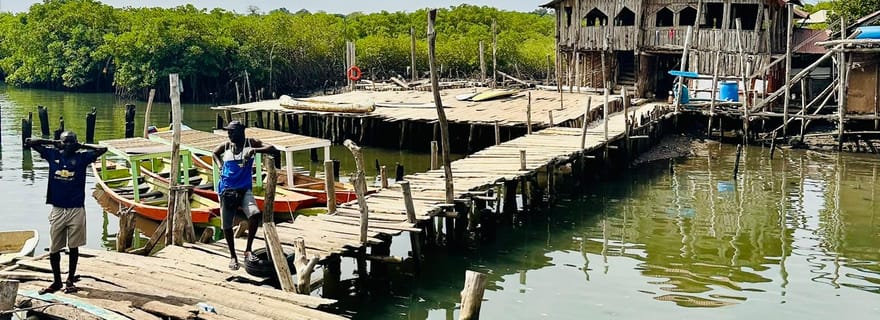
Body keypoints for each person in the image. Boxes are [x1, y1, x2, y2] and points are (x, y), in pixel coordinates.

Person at [25, 132, 107, 294]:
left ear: (76, 143)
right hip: (58, 209)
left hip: (76, 209)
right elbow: (30, 142)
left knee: (73, 246)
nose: (68, 145)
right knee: (54, 247)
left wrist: (81, 145)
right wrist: (55, 142)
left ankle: (70, 280)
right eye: (65, 142)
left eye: (71, 142)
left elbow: (102, 149)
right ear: (60, 143)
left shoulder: (82, 158)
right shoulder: (53, 154)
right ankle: (56, 282)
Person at [212, 121, 280, 270]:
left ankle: (248, 249)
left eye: (232, 131)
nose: (229, 134)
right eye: (228, 132)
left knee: (254, 214)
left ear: (241, 132)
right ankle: (232, 256)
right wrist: (220, 165)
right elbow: (214, 153)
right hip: (227, 190)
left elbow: (273, 149)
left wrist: (254, 151)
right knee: (227, 225)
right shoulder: (226, 146)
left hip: (244, 190)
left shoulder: (251, 143)